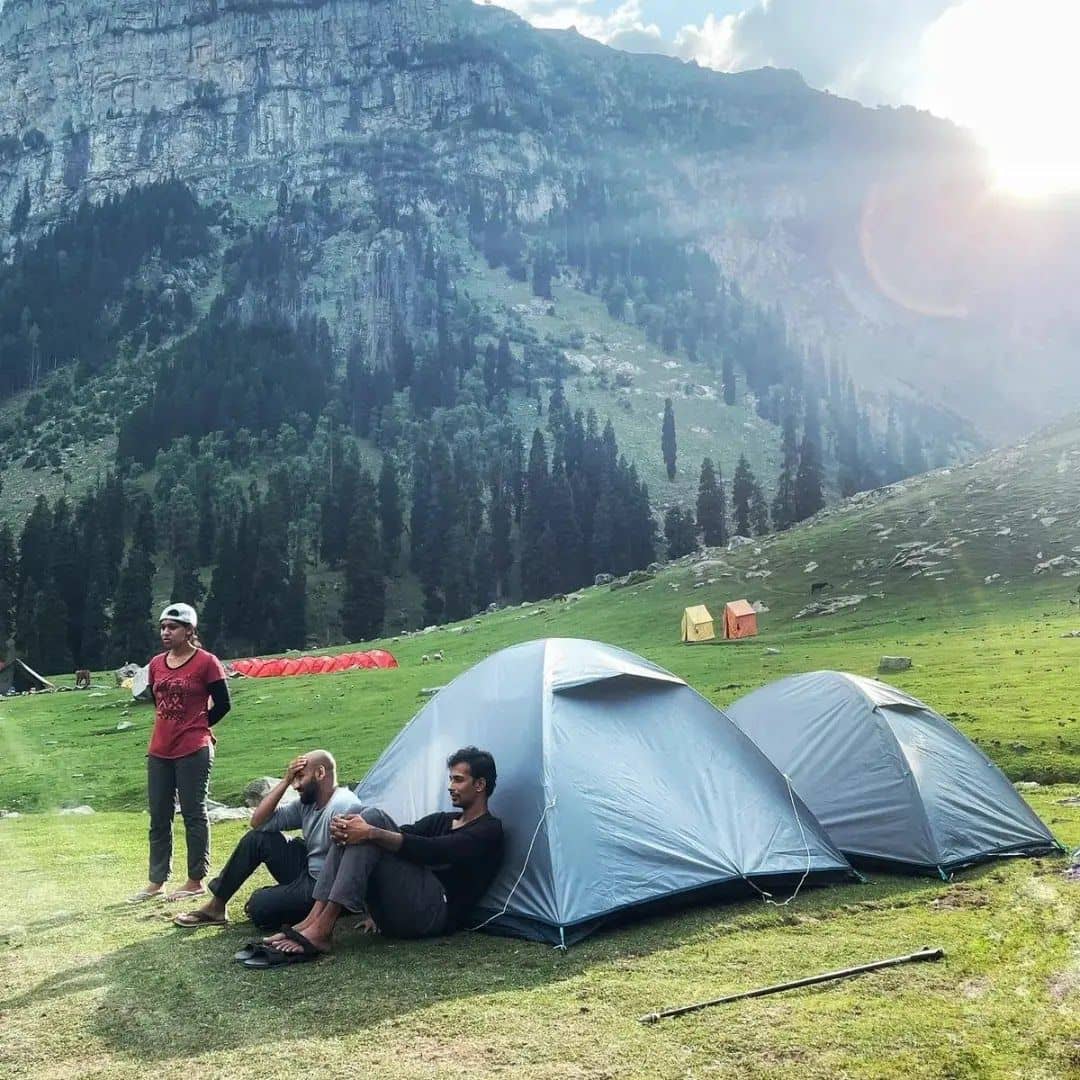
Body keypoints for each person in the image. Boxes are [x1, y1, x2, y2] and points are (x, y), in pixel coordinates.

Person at [240, 746, 503, 967]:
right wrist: (354, 829)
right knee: (361, 826)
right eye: (451, 779)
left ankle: (323, 927)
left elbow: (436, 851)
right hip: (397, 913)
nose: (450, 787)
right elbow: (399, 836)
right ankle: (313, 919)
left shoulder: (489, 831)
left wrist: (370, 831)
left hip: (433, 914)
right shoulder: (443, 820)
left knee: (371, 823)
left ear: (480, 785)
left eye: (458, 780)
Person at [174, 750, 359, 928]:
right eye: (294, 779)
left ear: (320, 773)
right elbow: (258, 823)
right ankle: (216, 906)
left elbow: (357, 862)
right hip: (308, 869)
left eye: (300, 777)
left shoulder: (344, 806)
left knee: (258, 907)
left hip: (322, 886)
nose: (296, 786)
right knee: (258, 839)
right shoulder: (308, 803)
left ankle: (330, 909)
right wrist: (286, 780)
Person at [127, 603, 231, 903]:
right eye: (162, 627)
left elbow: (223, 704)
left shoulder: (207, 662)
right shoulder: (156, 664)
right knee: (159, 816)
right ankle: (156, 881)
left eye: (172, 627)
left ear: (189, 630)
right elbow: (156, 701)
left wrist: (199, 725)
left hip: (193, 748)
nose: (165, 632)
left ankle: (195, 880)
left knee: (193, 813)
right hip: (160, 749)